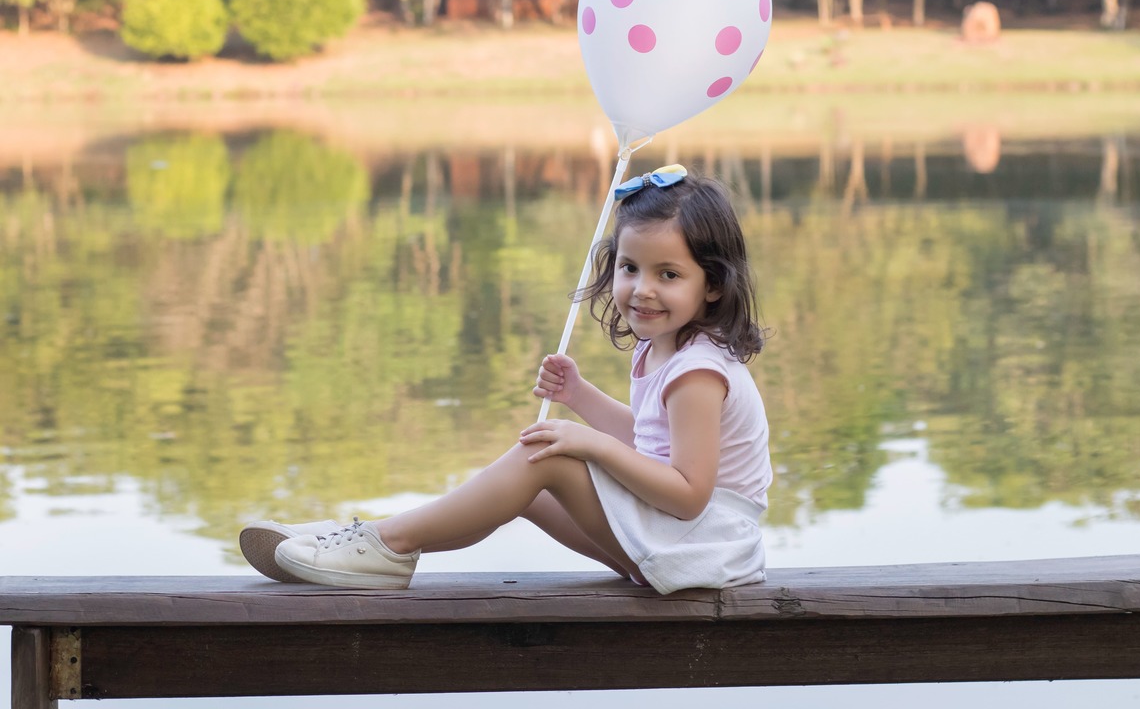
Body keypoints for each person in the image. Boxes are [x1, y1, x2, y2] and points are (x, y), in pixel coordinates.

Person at [239, 166, 772, 594]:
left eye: (669, 274)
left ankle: (381, 540)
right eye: (630, 268)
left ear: (714, 285)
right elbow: (652, 444)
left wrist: (590, 445)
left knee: (549, 456)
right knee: (528, 490)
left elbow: (688, 495)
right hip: (675, 541)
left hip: (707, 543)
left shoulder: (699, 372)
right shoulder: (667, 351)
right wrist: (579, 397)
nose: (641, 289)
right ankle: (381, 550)